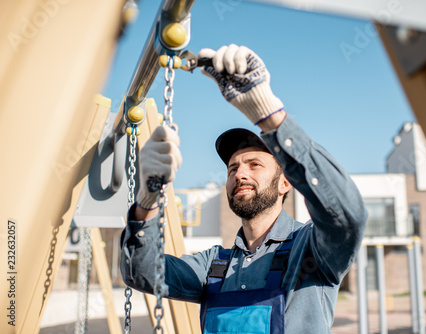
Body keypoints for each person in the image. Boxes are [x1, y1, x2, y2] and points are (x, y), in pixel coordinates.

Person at [121, 44, 367, 333]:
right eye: (232, 168)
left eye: (254, 164)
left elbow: (346, 216)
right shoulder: (214, 265)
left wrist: (268, 112)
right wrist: (147, 197)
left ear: (285, 182)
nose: (240, 174)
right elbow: (141, 271)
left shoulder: (311, 250)